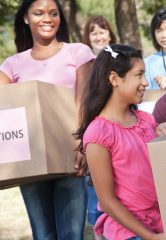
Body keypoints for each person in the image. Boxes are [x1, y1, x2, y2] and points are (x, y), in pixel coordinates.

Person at [0, 0, 95, 239]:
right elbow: (4, 108)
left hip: (70, 157)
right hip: (30, 162)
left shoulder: (78, 52)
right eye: (39, 13)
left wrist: (81, 144)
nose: (47, 19)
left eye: (53, 13)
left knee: (72, 235)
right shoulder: (11, 65)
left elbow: (84, 101)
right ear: (25, 18)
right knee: (43, 235)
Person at [74, 44, 166, 240]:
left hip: (163, 223)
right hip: (130, 232)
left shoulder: (147, 120)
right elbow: (107, 200)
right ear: (114, 79)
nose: (145, 82)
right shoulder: (98, 133)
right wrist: (150, 237)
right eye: (139, 75)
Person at [82, 14, 117, 240]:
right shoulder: (84, 66)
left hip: (119, 133)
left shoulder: (121, 58)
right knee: (97, 193)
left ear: (110, 33)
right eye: (93, 32)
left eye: (102, 31)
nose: (98, 36)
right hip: (95, 135)